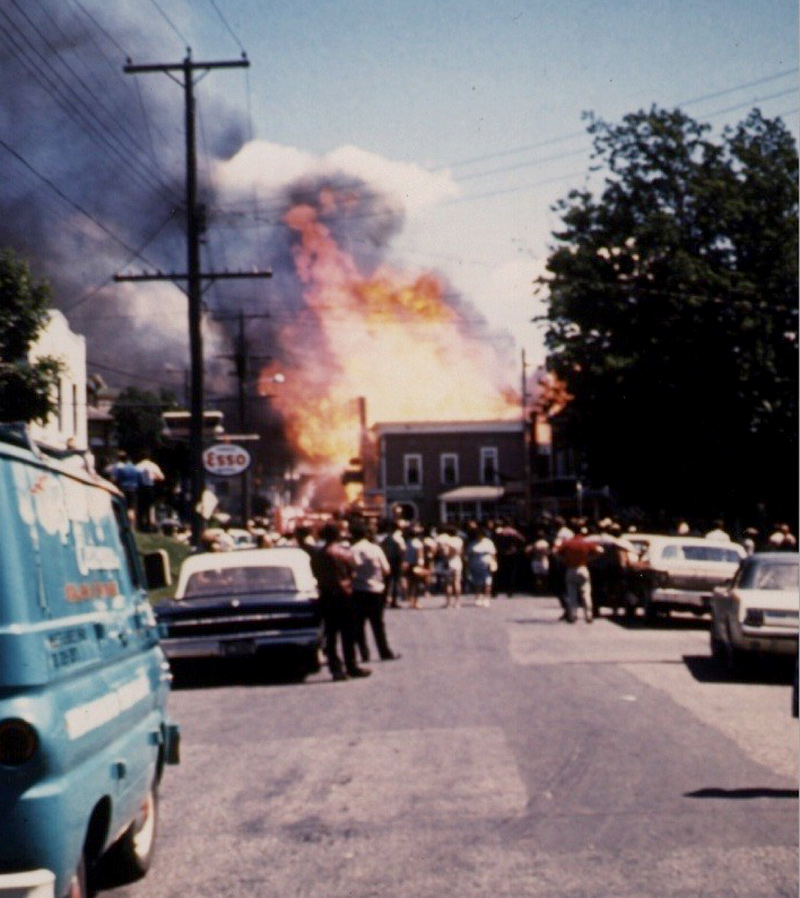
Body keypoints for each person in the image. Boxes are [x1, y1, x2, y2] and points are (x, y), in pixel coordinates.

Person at [309, 522, 371, 681]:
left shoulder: (318, 555)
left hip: (326, 595)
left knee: (331, 634)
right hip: (344, 594)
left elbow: (314, 573)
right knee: (348, 633)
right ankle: (351, 665)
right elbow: (356, 565)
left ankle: (335, 668)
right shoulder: (342, 552)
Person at [350, 521, 400, 662]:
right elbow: (386, 569)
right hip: (375, 590)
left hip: (358, 590)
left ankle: (364, 653)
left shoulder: (352, 550)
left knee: (359, 624)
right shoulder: (375, 549)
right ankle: (384, 651)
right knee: (378, 624)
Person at [556, 530, 604, 623]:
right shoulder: (586, 542)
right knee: (586, 593)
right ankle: (588, 615)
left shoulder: (568, 543)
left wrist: (564, 560)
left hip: (571, 568)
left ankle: (573, 615)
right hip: (583, 567)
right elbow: (600, 551)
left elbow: (556, 551)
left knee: (572, 594)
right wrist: (590, 559)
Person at [466, 525, 497, 607]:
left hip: (486, 565)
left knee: (487, 582)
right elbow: (468, 555)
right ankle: (478, 598)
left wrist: (494, 563)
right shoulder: (473, 544)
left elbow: (493, 554)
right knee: (477, 582)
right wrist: (468, 565)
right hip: (475, 565)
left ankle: (486, 598)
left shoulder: (488, 543)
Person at [436, 525, 465, 608]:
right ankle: (457, 602)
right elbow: (461, 552)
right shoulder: (459, 540)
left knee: (448, 583)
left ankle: (448, 603)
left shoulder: (447, 541)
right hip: (457, 562)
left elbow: (444, 553)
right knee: (457, 582)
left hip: (448, 562)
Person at [109, 451, 141, 524]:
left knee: (123, 507)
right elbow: (139, 478)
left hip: (123, 488)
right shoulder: (134, 467)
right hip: (133, 488)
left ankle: (124, 523)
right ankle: (132, 524)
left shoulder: (119, 468)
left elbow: (114, 479)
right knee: (131, 507)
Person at [136, 454, 165, 532]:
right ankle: (149, 525)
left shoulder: (138, 466)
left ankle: (140, 525)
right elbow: (161, 477)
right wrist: (153, 477)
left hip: (140, 488)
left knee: (140, 507)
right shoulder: (153, 466)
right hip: (149, 487)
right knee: (149, 506)